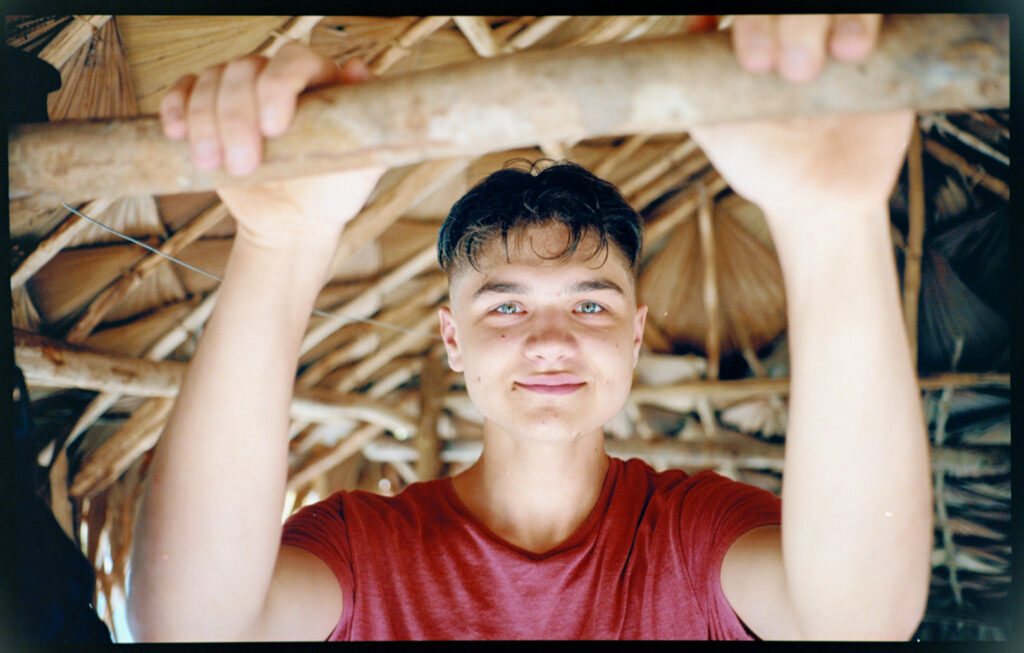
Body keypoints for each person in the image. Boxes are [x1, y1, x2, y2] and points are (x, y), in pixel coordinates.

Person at [126, 15, 933, 641]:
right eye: (505, 305)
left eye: (591, 303)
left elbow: (857, 620)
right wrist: (280, 242)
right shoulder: (365, 551)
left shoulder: (693, 535)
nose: (551, 340)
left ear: (637, 333)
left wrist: (831, 221)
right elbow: (193, 626)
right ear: (452, 338)